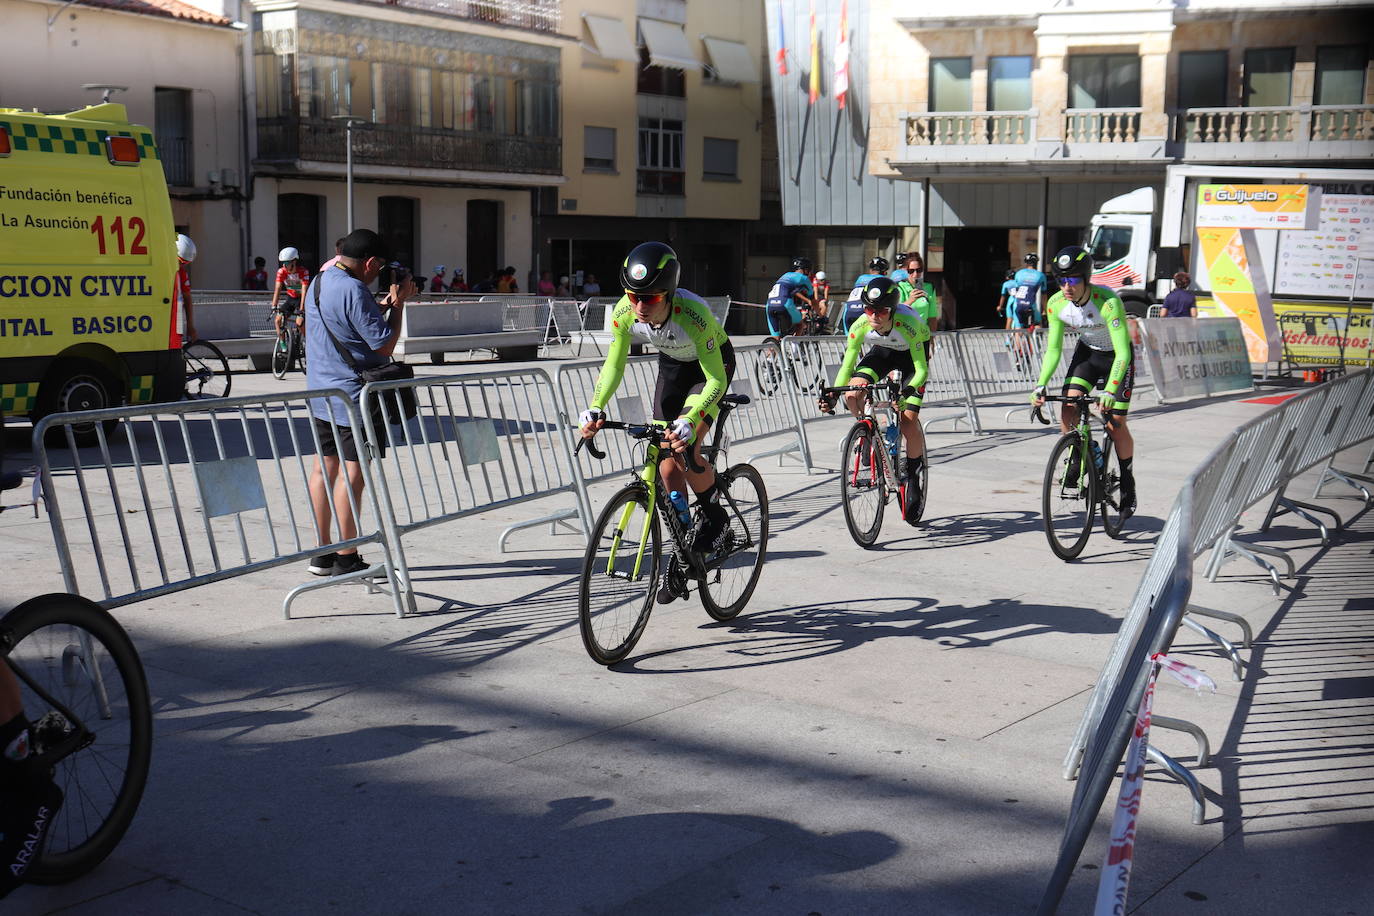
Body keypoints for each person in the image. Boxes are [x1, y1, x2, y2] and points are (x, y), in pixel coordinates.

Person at [578, 241, 735, 605]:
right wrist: (595, 407)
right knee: (665, 466)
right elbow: (613, 365)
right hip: (673, 367)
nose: (639, 306)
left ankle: (716, 517)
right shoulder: (624, 312)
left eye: (649, 299)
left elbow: (714, 380)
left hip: (710, 368)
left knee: (686, 443)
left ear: (669, 293)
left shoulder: (695, 314)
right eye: (633, 296)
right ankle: (685, 549)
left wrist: (691, 418)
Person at [304, 228, 416, 577]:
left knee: (324, 469)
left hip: (322, 393)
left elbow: (343, 325)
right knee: (354, 473)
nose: (378, 276)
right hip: (354, 396)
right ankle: (347, 555)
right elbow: (383, 345)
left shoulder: (320, 281)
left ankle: (322, 553)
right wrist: (397, 306)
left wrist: (378, 304)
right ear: (370, 262)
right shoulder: (353, 288)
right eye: (379, 269)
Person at [1031, 245, 1137, 517]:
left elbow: (1123, 351)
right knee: (1068, 406)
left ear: (1086, 278)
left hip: (1117, 357)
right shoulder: (1056, 304)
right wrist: (1041, 385)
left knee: (1115, 423)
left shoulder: (1108, 302)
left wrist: (1111, 390)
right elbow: (1053, 350)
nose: (1067, 286)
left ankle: (1127, 480)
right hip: (1088, 355)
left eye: (1073, 279)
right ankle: (1083, 452)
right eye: (1061, 280)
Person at [819, 276, 932, 520]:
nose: (873, 316)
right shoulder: (860, 325)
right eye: (869, 309)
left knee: (907, 421)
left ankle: (912, 475)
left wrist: (907, 392)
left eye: (880, 311)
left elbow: (921, 370)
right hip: (882, 353)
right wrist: (833, 396)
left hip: (912, 359)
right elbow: (847, 366)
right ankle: (867, 431)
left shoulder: (909, 323)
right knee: (852, 392)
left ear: (891, 311)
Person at [765, 256, 816, 338]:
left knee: (776, 337)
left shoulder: (786, 275)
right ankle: (794, 346)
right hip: (785, 303)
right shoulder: (804, 278)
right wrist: (821, 315)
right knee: (800, 325)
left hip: (770, 305)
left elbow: (790, 290)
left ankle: (771, 349)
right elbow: (813, 301)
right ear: (806, 270)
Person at [840, 256, 890, 332]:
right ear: (885, 272)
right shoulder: (883, 280)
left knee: (851, 340)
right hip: (866, 312)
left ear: (870, 270)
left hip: (849, 312)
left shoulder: (860, 279)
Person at [272, 246, 310, 343]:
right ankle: (283, 345)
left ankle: (309, 342)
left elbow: (304, 290)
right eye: (283, 263)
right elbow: (277, 289)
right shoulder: (281, 271)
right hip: (290, 299)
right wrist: (274, 305)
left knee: (299, 322)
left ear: (294, 262)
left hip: (301, 299)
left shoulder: (303, 271)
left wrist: (302, 309)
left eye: (287, 263)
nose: (284, 266)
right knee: (278, 320)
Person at [898, 252, 940, 335]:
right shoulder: (900, 287)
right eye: (911, 271)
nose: (915, 274)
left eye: (919, 270)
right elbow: (896, 312)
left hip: (922, 335)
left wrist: (932, 337)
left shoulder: (929, 288)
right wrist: (910, 300)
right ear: (906, 271)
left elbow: (932, 316)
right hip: (904, 335)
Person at [1007, 253, 1048, 331]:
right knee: (1037, 324)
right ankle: (1036, 340)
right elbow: (1044, 296)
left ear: (1026, 263)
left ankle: (1018, 340)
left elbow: (1015, 290)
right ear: (1036, 263)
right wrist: (1045, 311)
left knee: (1018, 329)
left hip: (1017, 303)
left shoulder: (1018, 273)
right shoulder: (1041, 275)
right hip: (1031, 304)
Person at [174, 233, 197, 343]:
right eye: (181, 262)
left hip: (176, 320)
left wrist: (190, 326)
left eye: (186, 263)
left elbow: (187, 298)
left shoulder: (182, 273)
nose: (182, 266)